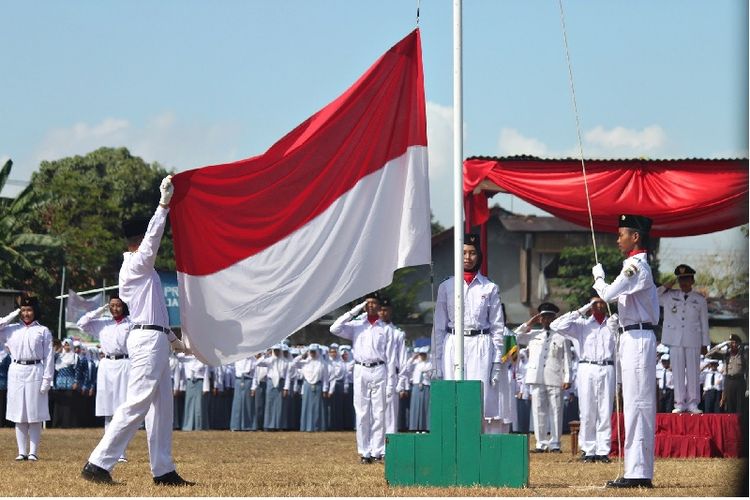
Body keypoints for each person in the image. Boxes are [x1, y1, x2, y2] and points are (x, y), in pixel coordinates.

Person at [81, 175, 193, 486]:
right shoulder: (135, 265)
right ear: (139, 238)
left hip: (154, 336)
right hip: (145, 338)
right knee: (137, 403)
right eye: (146, 237)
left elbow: (155, 315)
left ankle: (163, 469)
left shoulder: (145, 270)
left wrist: (175, 342)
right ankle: (98, 462)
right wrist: (163, 206)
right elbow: (153, 241)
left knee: (161, 408)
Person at [592, 214, 658, 489]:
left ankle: (639, 472)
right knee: (632, 403)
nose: (618, 239)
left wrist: (598, 277)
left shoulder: (635, 267)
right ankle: (635, 469)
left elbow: (608, 293)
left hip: (639, 337)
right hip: (631, 335)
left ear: (635, 237)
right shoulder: (633, 266)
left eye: (622, 234)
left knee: (638, 405)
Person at [431, 233, 505, 434]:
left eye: (472, 253)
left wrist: (497, 362)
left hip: (480, 343)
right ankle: (452, 441)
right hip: (453, 341)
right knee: (452, 396)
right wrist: (436, 363)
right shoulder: (446, 286)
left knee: (478, 398)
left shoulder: (490, 287)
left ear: (478, 256)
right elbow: (438, 326)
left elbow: (497, 326)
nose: (468, 257)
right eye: (463, 252)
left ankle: (475, 441)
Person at [330, 292, 396, 464]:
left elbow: (391, 358)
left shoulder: (386, 329)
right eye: (368, 303)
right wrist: (356, 309)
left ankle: (378, 451)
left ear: (379, 306)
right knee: (362, 412)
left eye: (374, 303)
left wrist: (391, 383)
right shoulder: (356, 325)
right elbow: (334, 328)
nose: (371, 306)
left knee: (379, 412)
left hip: (379, 368)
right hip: (360, 369)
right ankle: (364, 452)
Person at [550, 293, 616, 463]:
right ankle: (588, 449)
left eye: (602, 302)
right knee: (587, 411)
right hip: (587, 367)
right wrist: (583, 309)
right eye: (596, 303)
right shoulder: (581, 324)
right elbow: (555, 325)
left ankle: (603, 450)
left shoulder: (613, 323)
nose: (599, 306)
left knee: (605, 411)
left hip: (607, 366)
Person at [77, 296, 132, 460]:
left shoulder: (131, 324)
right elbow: (81, 323)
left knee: (121, 409)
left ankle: (120, 451)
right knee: (108, 410)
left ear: (124, 307)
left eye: (118, 305)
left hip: (125, 364)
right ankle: (109, 450)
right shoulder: (102, 324)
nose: (114, 309)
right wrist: (100, 309)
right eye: (112, 305)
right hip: (107, 365)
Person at [0, 296, 54, 461]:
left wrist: (47, 380)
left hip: (36, 370)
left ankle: (33, 452)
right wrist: (15, 312)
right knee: (19, 413)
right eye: (23, 310)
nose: (26, 313)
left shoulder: (43, 331)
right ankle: (21, 451)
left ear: (35, 311)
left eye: (29, 310)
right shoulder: (11, 329)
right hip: (16, 370)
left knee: (34, 413)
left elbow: (49, 357)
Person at [515, 302, 572, 453]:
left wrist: (568, 378)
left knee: (556, 410)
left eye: (550, 317)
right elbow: (516, 336)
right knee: (538, 410)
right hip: (536, 377)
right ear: (540, 319)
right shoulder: (533, 335)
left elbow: (567, 358)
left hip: (555, 376)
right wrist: (529, 323)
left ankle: (555, 443)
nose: (547, 320)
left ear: (555, 318)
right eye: (544, 317)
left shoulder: (562, 336)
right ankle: (541, 443)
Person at [657, 264, 709, 414]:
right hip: (675, 339)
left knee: (693, 371)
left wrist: (705, 343)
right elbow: (654, 296)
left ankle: (693, 403)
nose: (684, 282)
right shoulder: (669, 296)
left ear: (692, 281)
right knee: (678, 371)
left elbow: (704, 322)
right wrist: (666, 286)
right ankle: (679, 402)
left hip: (693, 338)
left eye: (687, 279)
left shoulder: (699, 300)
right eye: (681, 280)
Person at [378, 297, 408, 435]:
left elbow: (402, 359)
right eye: (381, 310)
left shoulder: (398, 333)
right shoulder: (372, 331)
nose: (383, 313)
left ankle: (390, 443)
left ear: (390, 311)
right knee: (376, 411)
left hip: (392, 375)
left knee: (390, 412)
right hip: (376, 372)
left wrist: (402, 382)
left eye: (386, 310)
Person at [293, 343, 329, 432]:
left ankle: (317, 426)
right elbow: (293, 363)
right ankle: (307, 426)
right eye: (311, 352)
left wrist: (325, 389)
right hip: (307, 386)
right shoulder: (305, 362)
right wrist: (302, 355)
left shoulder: (322, 363)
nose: (312, 354)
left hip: (318, 385)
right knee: (307, 407)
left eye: (314, 352)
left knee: (317, 407)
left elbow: (325, 378)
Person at [404, 347, 432, 432]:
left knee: (425, 407)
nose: (422, 356)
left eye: (424, 354)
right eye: (421, 354)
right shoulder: (416, 363)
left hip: (425, 386)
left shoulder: (429, 363)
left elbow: (431, 375)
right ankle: (415, 427)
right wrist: (413, 358)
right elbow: (407, 367)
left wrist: (426, 374)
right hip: (416, 386)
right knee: (416, 406)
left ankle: (425, 427)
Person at [180, 353, 211, 431]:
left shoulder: (203, 360)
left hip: (200, 382)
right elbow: (177, 355)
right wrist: (181, 386)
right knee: (189, 404)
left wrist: (206, 388)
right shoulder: (186, 359)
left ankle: (199, 426)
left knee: (199, 406)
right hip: (190, 382)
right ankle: (188, 426)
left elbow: (206, 375)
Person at [721, 334, 747, 413]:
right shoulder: (727, 355)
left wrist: (748, 388)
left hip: (740, 381)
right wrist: (723, 344)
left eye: (734, 342)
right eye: (731, 342)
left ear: (739, 344)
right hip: (729, 381)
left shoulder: (744, 355)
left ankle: (740, 424)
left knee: (740, 406)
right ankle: (731, 423)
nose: (732, 344)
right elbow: (709, 354)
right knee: (730, 405)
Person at [230, 356, 256, 431]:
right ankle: (235, 425)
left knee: (248, 404)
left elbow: (255, 375)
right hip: (238, 380)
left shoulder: (252, 359)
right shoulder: (236, 358)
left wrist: (253, 387)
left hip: (248, 380)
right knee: (237, 403)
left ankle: (248, 425)